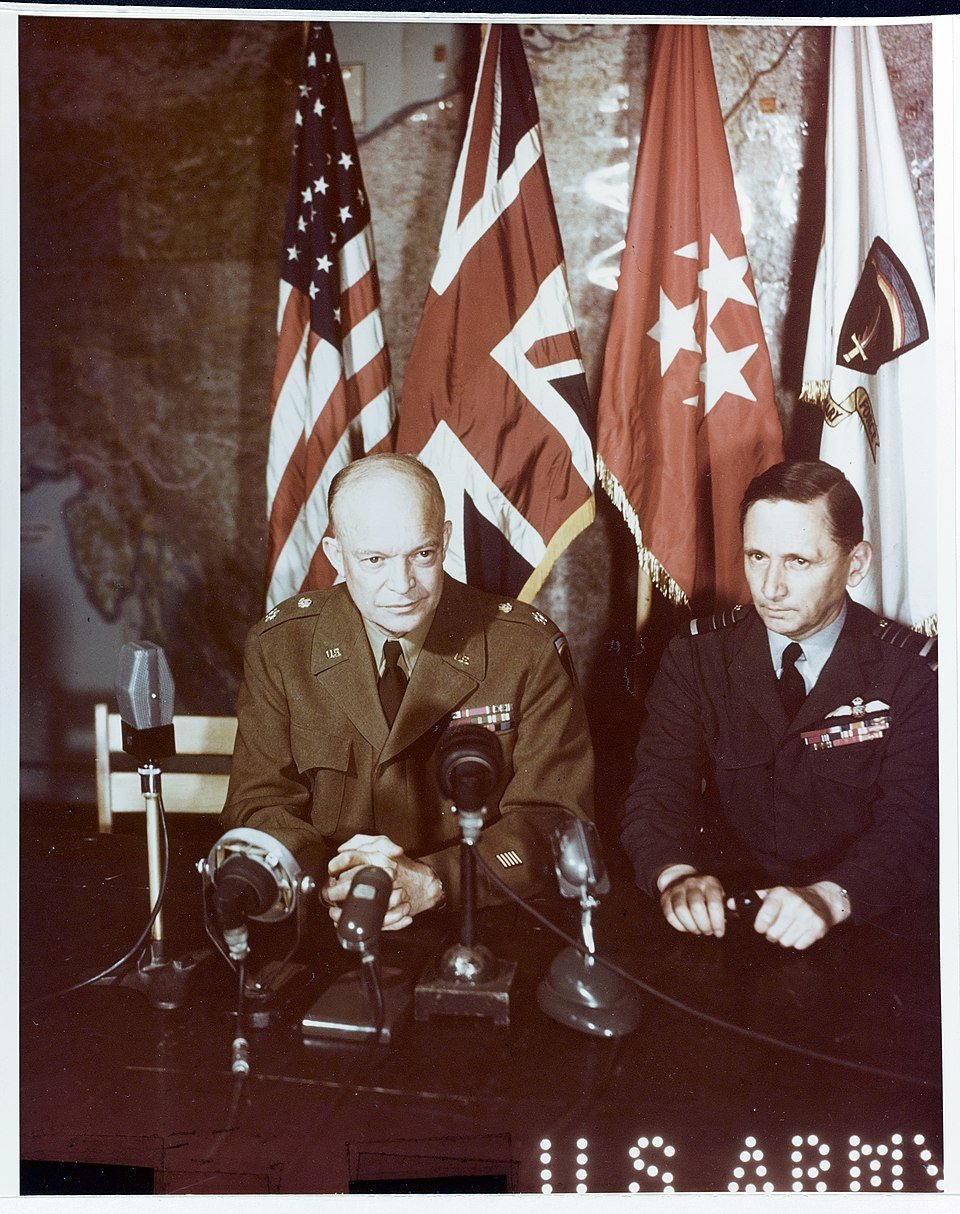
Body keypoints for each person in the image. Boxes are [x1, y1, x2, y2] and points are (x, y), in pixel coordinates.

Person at [221, 453, 594, 931]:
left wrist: (437, 881)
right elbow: (257, 802)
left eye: (422, 554)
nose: (402, 585)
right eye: (374, 560)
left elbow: (556, 820)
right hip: (328, 914)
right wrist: (331, 878)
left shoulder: (524, 649)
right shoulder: (283, 647)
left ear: (445, 540)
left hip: (478, 917)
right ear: (337, 556)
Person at [620, 460, 938, 951]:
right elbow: (658, 789)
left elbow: (916, 823)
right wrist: (677, 877)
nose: (771, 588)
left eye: (798, 561)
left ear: (856, 564)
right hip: (722, 918)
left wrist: (831, 898)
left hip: (863, 926)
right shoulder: (698, 655)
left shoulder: (912, 673)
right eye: (757, 557)